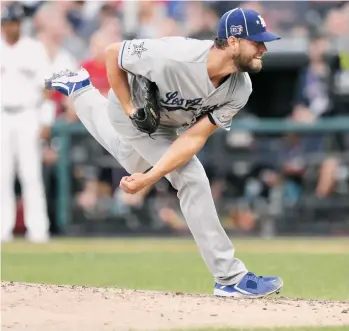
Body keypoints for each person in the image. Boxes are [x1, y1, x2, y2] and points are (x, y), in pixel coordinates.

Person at [45, 7, 283, 297]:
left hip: (170, 126)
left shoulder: (239, 89)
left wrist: (150, 177)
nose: (264, 48)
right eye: (257, 41)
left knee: (132, 157)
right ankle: (230, 277)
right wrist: (131, 109)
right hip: (132, 111)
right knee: (191, 177)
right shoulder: (176, 55)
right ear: (233, 41)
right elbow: (113, 53)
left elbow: (194, 138)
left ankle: (80, 90)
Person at [1, 3, 51, 242]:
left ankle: (38, 230)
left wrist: (46, 119)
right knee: (3, 174)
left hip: (28, 114)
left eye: (15, 23)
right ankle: (3, 229)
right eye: (8, 23)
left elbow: (46, 90)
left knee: (31, 174)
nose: (12, 27)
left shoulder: (34, 49)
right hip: (2, 114)